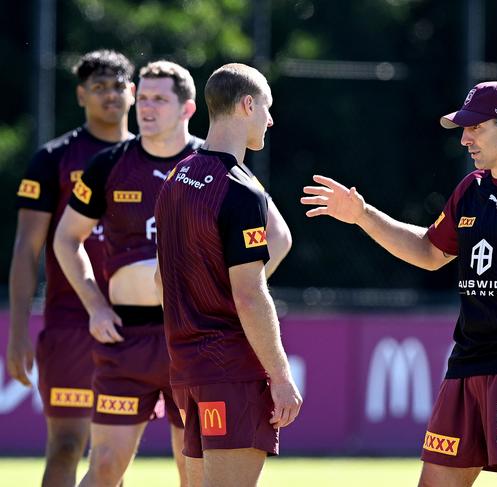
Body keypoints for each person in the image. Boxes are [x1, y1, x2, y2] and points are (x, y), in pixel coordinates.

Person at [301, 81, 497, 487]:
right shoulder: (471, 189)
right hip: (466, 363)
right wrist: (363, 215)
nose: (465, 139)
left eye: (475, 128)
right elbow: (430, 253)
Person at [53, 60, 201, 487]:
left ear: (187, 109)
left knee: (193, 473)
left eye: (161, 99)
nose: (147, 107)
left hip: (192, 340)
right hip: (126, 340)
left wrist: (229, 299)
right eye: (144, 96)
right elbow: (65, 238)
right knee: (103, 468)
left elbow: (276, 238)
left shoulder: (212, 163)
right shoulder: (109, 164)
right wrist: (95, 306)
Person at [154, 63, 302, 487]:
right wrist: (281, 375)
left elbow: (163, 282)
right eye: (266, 108)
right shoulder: (240, 189)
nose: (270, 120)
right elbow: (250, 295)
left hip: (186, 369)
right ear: (247, 104)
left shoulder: (175, 178)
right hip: (231, 372)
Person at [7, 49, 134, 487]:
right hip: (70, 325)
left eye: (118, 85)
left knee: (113, 455)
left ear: (132, 93)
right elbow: (26, 249)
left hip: (141, 327)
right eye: (98, 87)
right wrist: (18, 330)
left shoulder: (156, 157)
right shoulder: (53, 158)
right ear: (81, 95)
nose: (110, 95)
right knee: (65, 445)